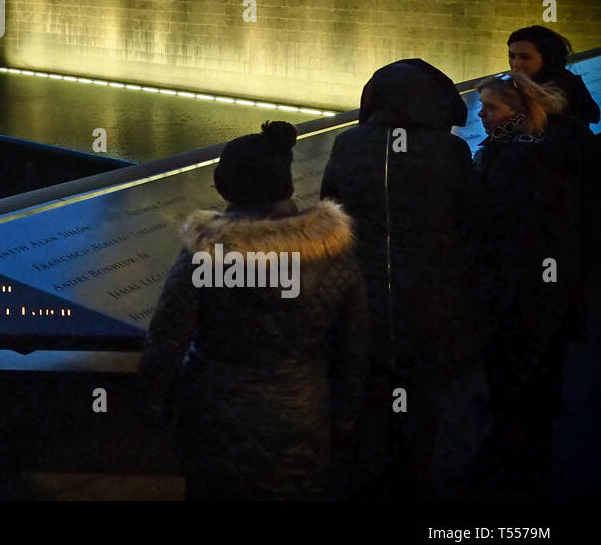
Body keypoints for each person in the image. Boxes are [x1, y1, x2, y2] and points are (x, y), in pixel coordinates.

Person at [140, 121, 368, 500]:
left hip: (215, 416)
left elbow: (166, 341)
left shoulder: (206, 253)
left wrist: (153, 407)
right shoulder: (332, 253)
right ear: (288, 185)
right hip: (301, 413)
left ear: (223, 185)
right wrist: (342, 416)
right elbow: (355, 344)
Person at [320, 59, 489, 498]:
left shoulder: (348, 144)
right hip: (433, 300)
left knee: (367, 399)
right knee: (423, 403)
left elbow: (331, 214)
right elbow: (471, 222)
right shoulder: (451, 152)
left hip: (365, 296)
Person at [471, 73, 587, 496]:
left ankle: (512, 461)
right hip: (548, 286)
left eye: (491, 108)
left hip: (517, 288)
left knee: (514, 371)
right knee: (539, 372)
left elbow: (501, 226)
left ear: (517, 113)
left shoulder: (513, 159)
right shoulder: (551, 143)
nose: (481, 116)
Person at [507, 25, 599, 126]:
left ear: (547, 58)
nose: (516, 64)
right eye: (512, 56)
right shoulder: (510, 85)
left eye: (525, 57)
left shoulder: (568, 85)